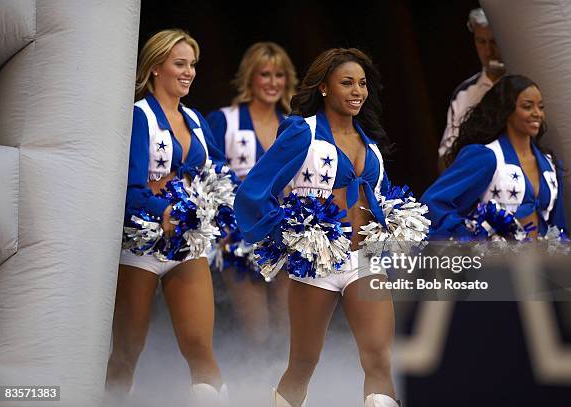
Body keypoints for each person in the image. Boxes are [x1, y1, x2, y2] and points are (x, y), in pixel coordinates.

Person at [235, 48, 401, 407]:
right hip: (318, 264)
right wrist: (289, 235)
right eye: (347, 83)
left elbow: (382, 196)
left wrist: (390, 227)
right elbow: (253, 191)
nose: (357, 91)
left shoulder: (370, 143)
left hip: (365, 259)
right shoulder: (302, 132)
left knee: (379, 359)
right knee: (303, 364)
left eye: (362, 83)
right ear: (324, 87)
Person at [106, 29, 229, 405]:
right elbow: (126, 188)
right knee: (128, 350)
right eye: (180, 64)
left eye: (192, 64)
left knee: (199, 347)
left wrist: (216, 209)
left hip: (186, 245)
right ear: (156, 67)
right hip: (139, 245)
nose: (189, 72)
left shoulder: (195, 120)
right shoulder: (138, 116)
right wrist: (164, 211)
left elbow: (219, 175)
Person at [207, 42, 297, 346]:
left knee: (287, 332)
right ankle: (254, 388)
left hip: (283, 232)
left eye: (279, 75)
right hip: (237, 234)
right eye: (265, 74)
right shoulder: (224, 121)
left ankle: (285, 392)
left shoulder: (295, 126)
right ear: (250, 77)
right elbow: (209, 175)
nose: (273, 82)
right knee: (256, 334)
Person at [422, 74, 567, 240]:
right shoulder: (486, 156)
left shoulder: (550, 164)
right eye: (527, 106)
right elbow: (433, 202)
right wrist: (472, 240)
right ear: (507, 110)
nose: (537, 114)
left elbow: (559, 227)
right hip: (496, 264)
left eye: (541, 107)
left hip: (543, 262)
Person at [437, 7, 506, 169]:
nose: (489, 51)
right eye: (481, 42)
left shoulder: (522, 86)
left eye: (494, 41)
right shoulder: (464, 93)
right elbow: (445, 155)